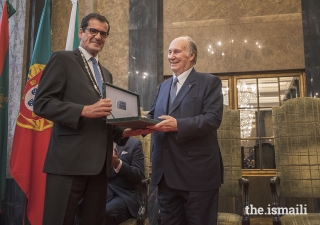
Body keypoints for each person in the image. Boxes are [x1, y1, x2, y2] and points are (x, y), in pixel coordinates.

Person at [33, 13, 151, 225]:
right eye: (93, 31)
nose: (98, 37)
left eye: (103, 34)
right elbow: (42, 103)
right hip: (69, 162)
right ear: (81, 32)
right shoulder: (63, 59)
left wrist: (124, 132)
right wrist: (83, 110)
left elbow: (103, 117)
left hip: (100, 167)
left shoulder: (106, 74)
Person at [146, 36, 224, 225]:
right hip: (165, 177)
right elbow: (152, 117)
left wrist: (178, 125)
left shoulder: (209, 82)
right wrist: (130, 125)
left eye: (177, 51)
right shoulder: (162, 87)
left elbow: (213, 118)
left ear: (191, 55)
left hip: (197, 176)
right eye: (169, 52)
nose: (171, 56)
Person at [105, 137, 145, 224]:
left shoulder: (134, 143)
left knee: (106, 212)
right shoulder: (96, 142)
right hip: (98, 193)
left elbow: (139, 176)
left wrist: (118, 164)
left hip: (123, 195)